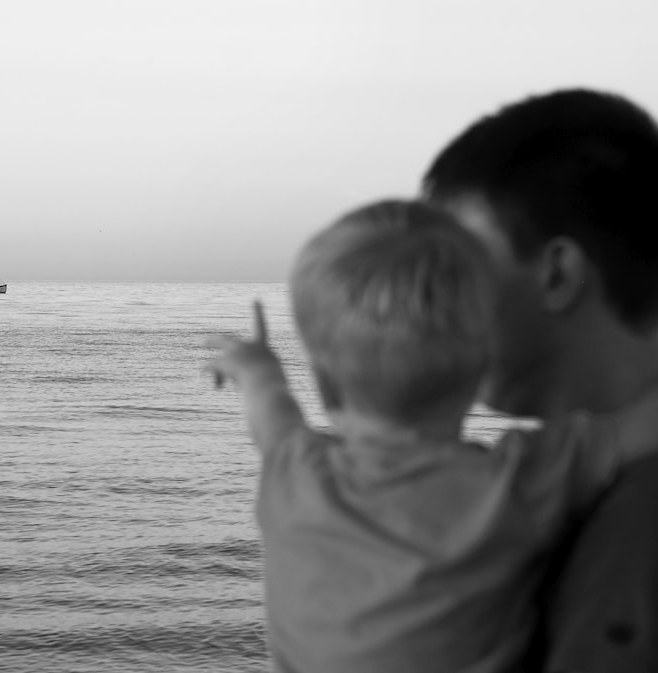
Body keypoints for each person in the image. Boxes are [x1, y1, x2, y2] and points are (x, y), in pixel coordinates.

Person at [206, 198, 658, 673]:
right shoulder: (520, 476)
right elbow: (642, 426)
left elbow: (270, 412)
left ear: (321, 377)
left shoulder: (292, 472)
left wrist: (256, 365)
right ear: (485, 365)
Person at [423, 88, 658, 672]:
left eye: (455, 269)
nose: (430, 305)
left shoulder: (638, 523)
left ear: (557, 273)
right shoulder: (582, 488)